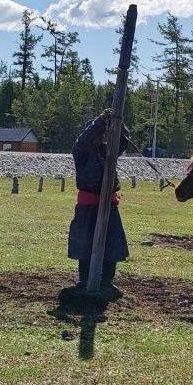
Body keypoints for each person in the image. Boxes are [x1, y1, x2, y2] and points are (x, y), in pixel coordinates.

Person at [68, 109, 131, 289]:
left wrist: (117, 121)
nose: (101, 137)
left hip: (108, 205)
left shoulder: (108, 152)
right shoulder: (81, 152)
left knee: (112, 244)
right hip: (88, 205)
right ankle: (84, 279)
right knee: (85, 244)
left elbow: (124, 140)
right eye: (99, 133)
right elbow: (83, 140)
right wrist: (100, 121)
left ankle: (107, 280)